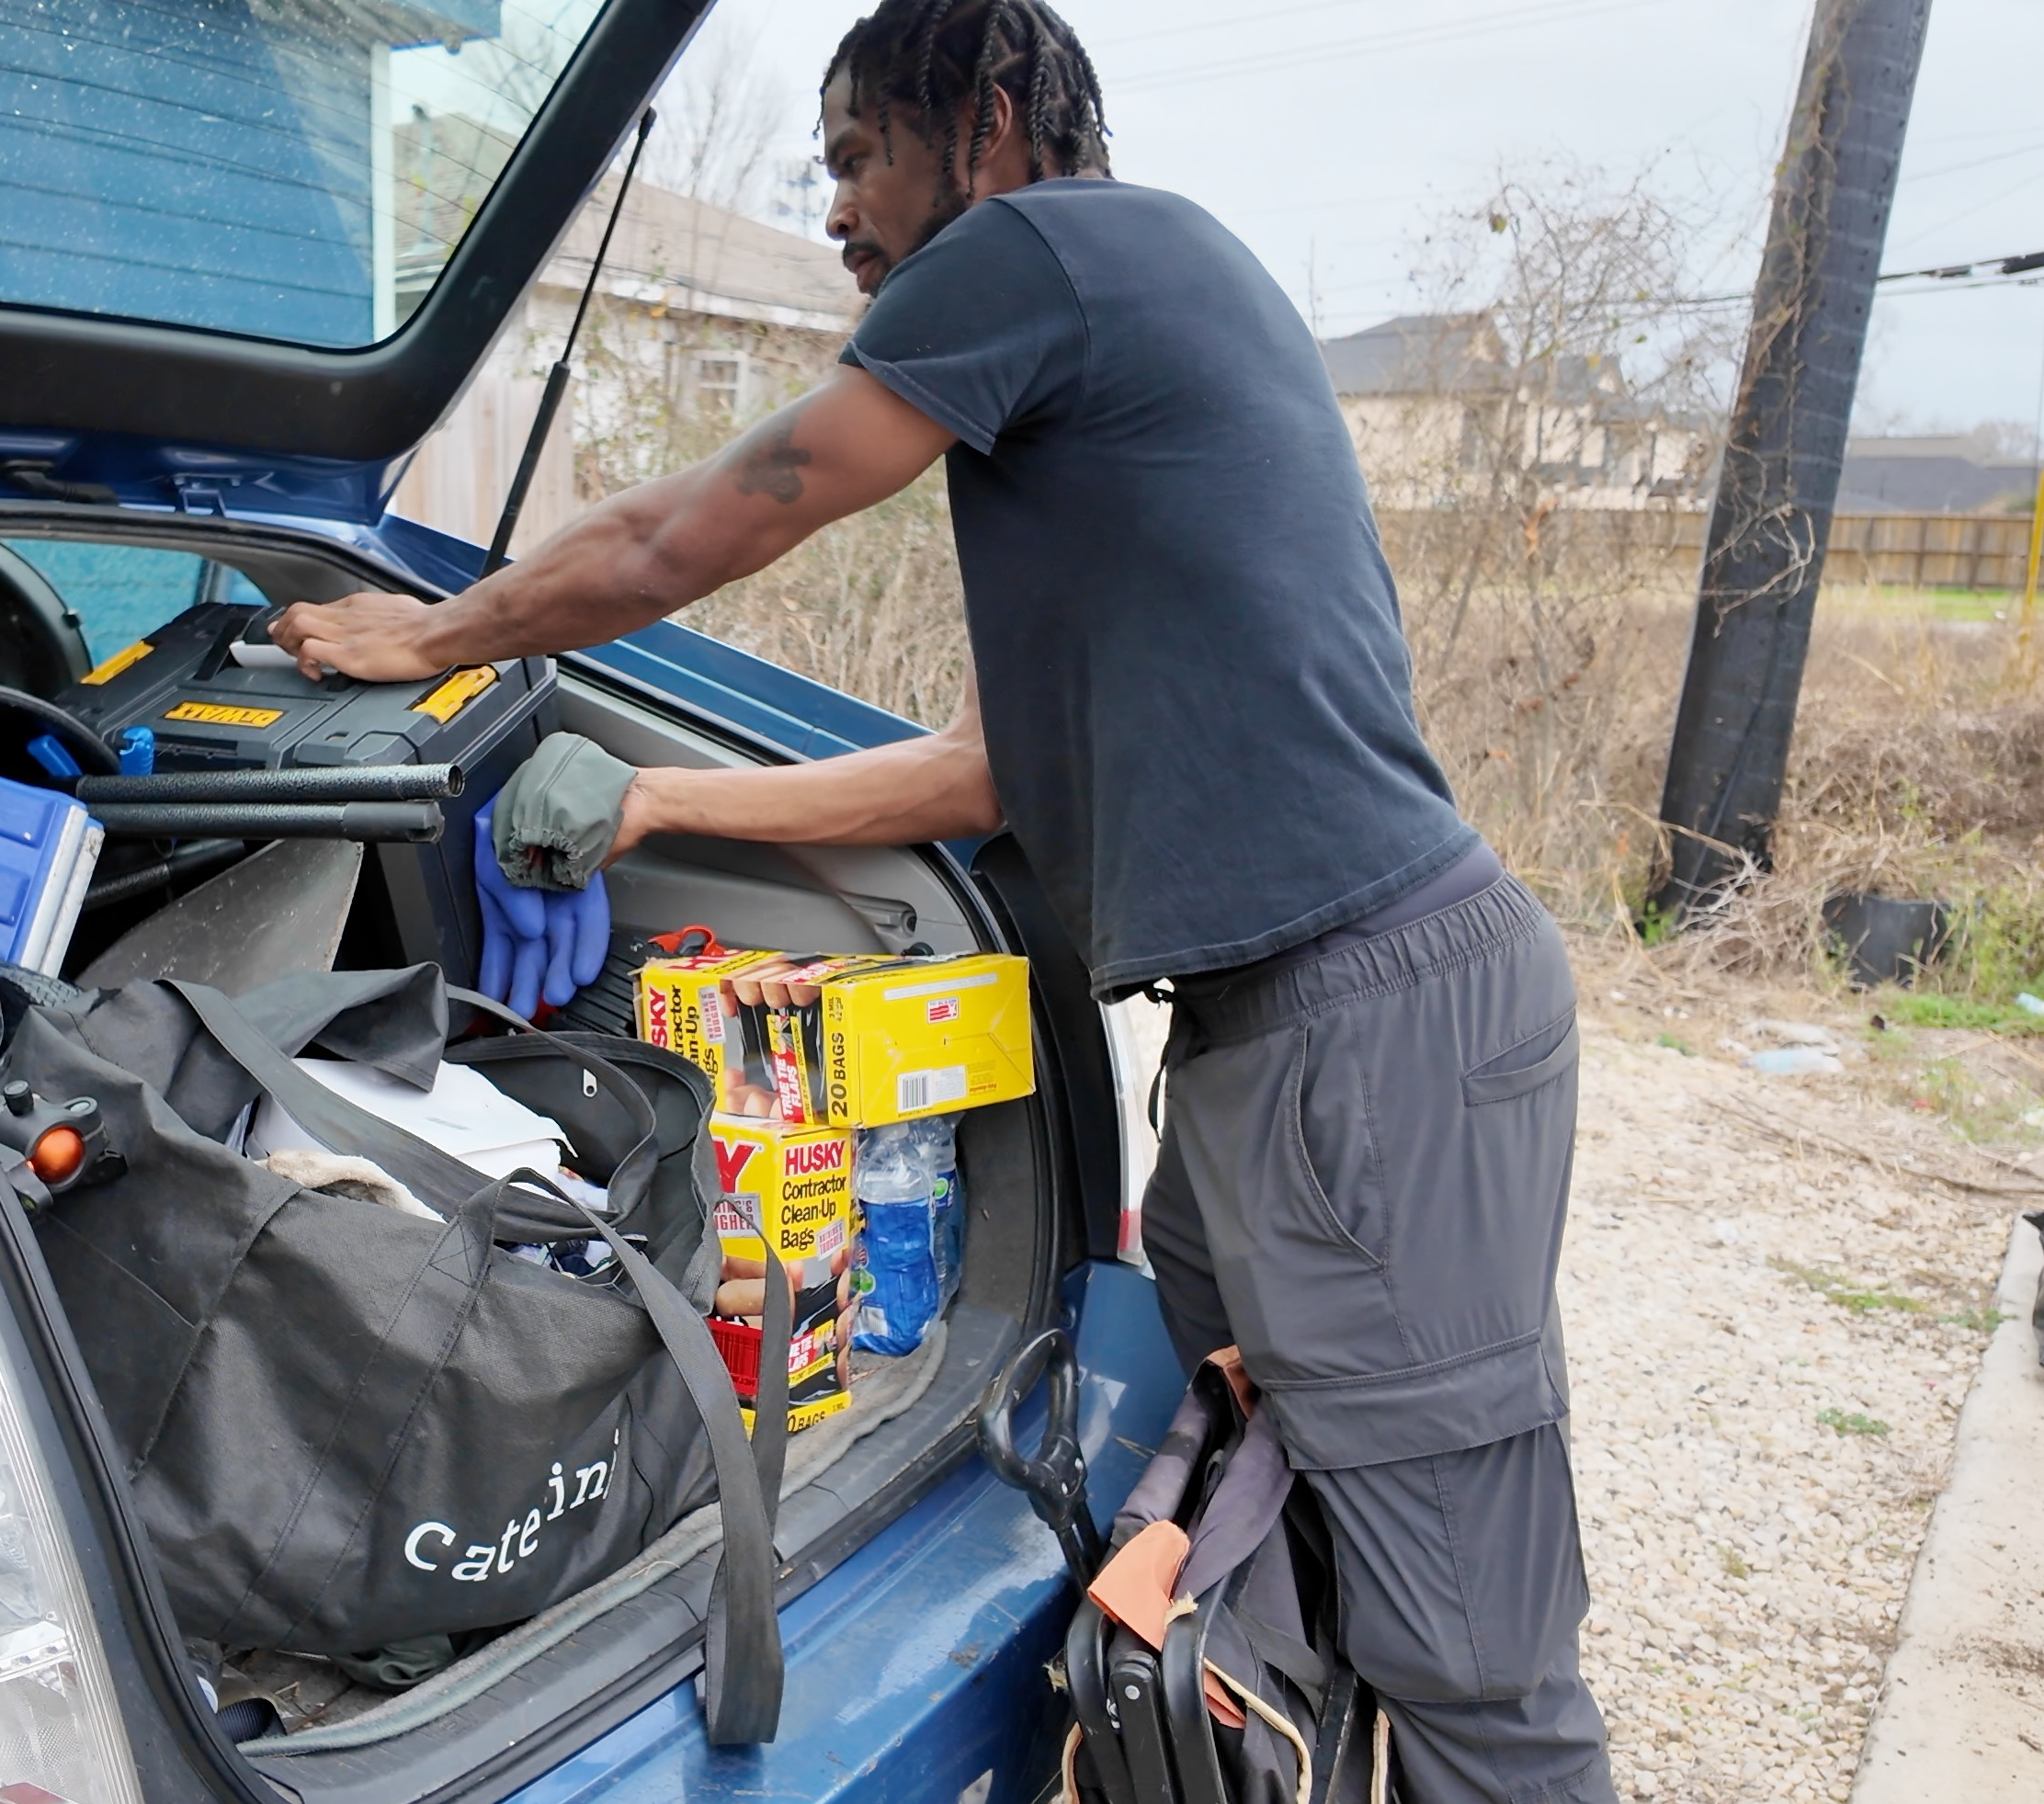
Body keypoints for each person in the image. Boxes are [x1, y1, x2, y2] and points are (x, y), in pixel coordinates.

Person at [271, 3, 1614, 1798]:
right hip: (1280, 1035)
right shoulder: (1130, 308)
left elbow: (711, 526)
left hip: (1368, 1028)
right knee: (1246, 1545)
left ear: (986, 119)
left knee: (1466, 1649)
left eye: (855, 157)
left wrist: (435, 631)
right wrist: (662, 797)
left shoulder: (1040, 250)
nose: (836, 211)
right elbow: (988, 773)